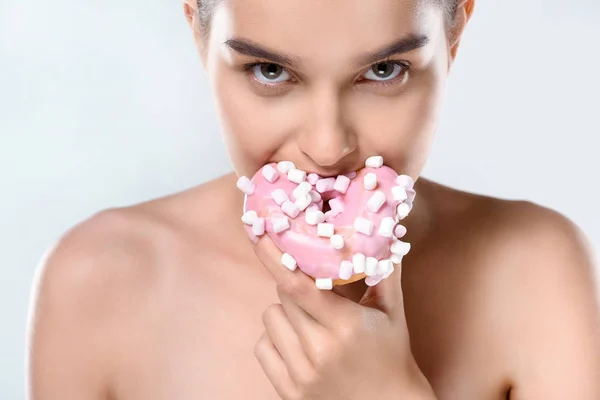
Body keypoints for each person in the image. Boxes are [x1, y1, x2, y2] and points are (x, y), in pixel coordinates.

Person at [27, 0, 600, 399]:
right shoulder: (95, 282)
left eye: (384, 70)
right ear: (199, 37)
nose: (327, 148)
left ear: (455, 35)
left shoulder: (536, 271)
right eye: (270, 71)